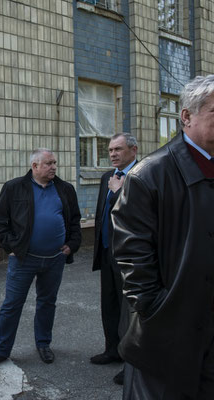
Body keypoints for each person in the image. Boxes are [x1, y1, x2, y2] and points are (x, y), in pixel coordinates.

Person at [112, 74, 214, 399]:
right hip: (168, 338)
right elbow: (132, 255)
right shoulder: (149, 175)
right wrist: (156, 310)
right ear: (187, 116)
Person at [0, 148, 82, 369]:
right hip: (23, 259)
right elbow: (0, 222)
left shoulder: (65, 189)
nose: (53, 167)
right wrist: (11, 247)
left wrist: (72, 245)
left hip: (55, 259)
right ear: (35, 166)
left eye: (54, 163)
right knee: (11, 305)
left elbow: (75, 221)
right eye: (48, 163)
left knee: (47, 303)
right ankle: (0, 350)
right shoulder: (14, 187)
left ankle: (43, 344)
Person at [90, 133, 137, 385]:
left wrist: (120, 193)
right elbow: (102, 215)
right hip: (108, 252)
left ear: (133, 150)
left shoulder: (142, 176)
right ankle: (112, 350)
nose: (113, 154)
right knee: (109, 303)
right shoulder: (107, 177)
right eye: (110, 150)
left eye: (118, 149)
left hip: (131, 256)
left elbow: (139, 214)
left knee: (129, 312)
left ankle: (131, 363)